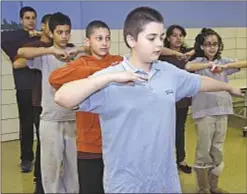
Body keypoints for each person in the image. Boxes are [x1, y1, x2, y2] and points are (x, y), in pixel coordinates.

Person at [54, 7, 243, 193]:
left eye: (161, 37)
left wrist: (228, 87)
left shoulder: (167, 72)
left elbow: (198, 81)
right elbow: (63, 97)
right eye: (151, 38)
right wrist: (107, 78)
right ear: (131, 40)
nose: (159, 44)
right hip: (126, 183)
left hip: (164, 181)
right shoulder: (111, 77)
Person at [49, 20, 123, 194]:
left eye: (107, 38)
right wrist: (98, 74)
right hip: (90, 143)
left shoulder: (118, 62)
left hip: (117, 142)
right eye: (99, 38)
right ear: (87, 42)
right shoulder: (81, 64)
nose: (104, 43)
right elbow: (54, 79)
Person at [17, 12, 86, 193]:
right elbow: (21, 52)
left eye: (67, 32)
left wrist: (77, 50)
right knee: (50, 173)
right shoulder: (44, 56)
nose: (64, 36)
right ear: (51, 33)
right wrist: (51, 50)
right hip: (50, 120)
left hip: (73, 120)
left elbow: (93, 49)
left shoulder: (76, 56)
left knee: (74, 173)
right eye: (60, 32)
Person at [185, 28, 247, 193]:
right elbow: (188, 66)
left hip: (222, 110)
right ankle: (203, 187)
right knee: (203, 149)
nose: (212, 48)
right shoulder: (198, 61)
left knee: (217, 149)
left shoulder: (224, 61)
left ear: (219, 46)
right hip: (204, 113)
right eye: (208, 44)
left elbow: (244, 63)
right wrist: (209, 64)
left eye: (215, 44)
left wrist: (225, 66)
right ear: (202, 46)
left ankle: (213, 186)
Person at [13, 13, 53, 194]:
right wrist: (45, 53)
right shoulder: (34, 45)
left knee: (52, 143)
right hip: (37, 99)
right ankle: (39, 179)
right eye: (51, 25)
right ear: (44, 26)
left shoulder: (59, 46)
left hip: (56, 103)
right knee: (39, 136)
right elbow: (18, 62)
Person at [1, 6, 41, 172]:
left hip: (39, 88)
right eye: (27, 18)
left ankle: (43, 159)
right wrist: (27, 35)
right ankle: (26, 159)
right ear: (21, 20)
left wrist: (37, 35)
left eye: (33, 17)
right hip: (24, 87)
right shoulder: (15, 37)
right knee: (26, 125)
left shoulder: (41, 38)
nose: (30, 21)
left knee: (42, 126)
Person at [159, 24, 196, 174]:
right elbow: (157, 49)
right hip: (165, 99)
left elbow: (199, 49)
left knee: (180, 129)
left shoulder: (187, 53)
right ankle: (164, 161)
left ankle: (181, 159)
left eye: (181, 35)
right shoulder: (163, 54)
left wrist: (188, 53)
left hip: (182, 99)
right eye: (174, 35)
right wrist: (176, 54)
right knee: (164, 131)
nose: (178, 38)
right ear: (168, 38)